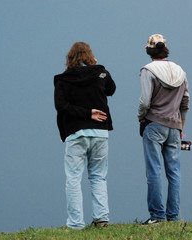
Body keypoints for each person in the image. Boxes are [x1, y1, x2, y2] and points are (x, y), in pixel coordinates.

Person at [54, 42, 116, 230]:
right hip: (100, 133)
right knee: (98, 176)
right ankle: (102, 219)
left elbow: (61, 106)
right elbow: (111, 89)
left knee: (73, 178)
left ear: (69, 58)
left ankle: (75, 224)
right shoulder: (100, 73)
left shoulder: (63, 80)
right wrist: (98, 66)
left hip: (76, 134)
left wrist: (85, 114)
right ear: (90, 55)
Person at [138, 34, 190, 225]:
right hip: (175, 126)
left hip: (154, 124)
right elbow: (185, 102)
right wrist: (181, 126)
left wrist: (141, 118)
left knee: (154, 171)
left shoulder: (148, 70)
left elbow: (144, 101)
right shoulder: (180, 71)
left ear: (149, 50)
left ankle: (157, 217)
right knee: (174, 173)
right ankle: (173, 217)